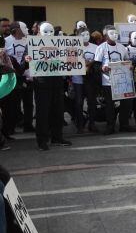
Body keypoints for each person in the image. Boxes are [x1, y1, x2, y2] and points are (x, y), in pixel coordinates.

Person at [31, 23, 71, 151]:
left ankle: (57, 137)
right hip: (42, 84)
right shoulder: (33, 44)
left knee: (58, 111)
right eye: (45, 31)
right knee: (42, 113)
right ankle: (42, 140)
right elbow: (28, 62)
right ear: (39, 32)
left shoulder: (60, 44)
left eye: (51, 31)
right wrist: (28, 60)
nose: (49, 34)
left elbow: (69, 58)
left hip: (57, 82)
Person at [94, 26, 136, 135]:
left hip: (123, 80)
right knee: (109, 105)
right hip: (108, 81)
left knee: (126, 103)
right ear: (106, 36)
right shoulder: (101, 48)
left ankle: (124, 124)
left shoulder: (122, 47)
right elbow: (96, 65)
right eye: (112, 33)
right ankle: (110, 126)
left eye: (116, 33)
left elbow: (127, 60)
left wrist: (130, 66)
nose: (115, 35)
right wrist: (102, 68)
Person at [4, 22, 34, 134]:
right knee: (13, 103)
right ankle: (11, 127)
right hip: (13, 76)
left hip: (27, 75)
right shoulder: (6, 41)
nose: (27, 29)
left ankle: (28, 125)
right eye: (24, 27)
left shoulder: (29, 40)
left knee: (28, 102)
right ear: (17, 29)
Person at [72, 23, 100, 134]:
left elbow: (98, 61)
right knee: (78, 102)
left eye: (87, 34)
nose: (86, 36)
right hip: (78, 79)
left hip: (91, 79)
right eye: (83, 35)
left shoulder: (95, 47)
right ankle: (80, 125)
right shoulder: (73, 47)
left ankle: (92, 124)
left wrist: (90, 64)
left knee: (92, 102)